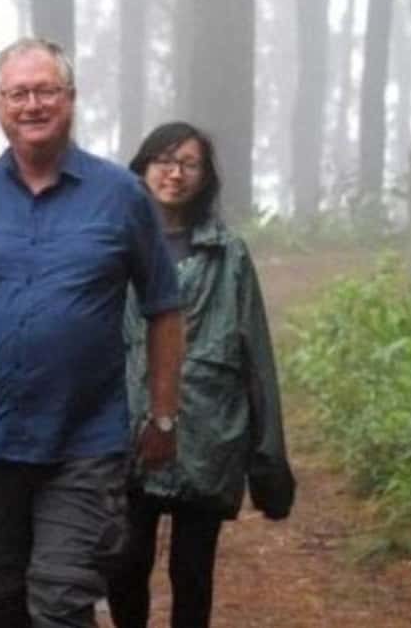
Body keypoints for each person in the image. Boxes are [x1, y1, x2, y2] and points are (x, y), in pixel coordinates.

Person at [0, 38, 186, 628]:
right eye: (18, 94)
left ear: (71, 99)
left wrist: (163, 416)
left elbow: (164, 308)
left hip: (84, 444)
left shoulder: (121, 196)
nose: (32, 105)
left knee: (61, 602)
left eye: (46, 91)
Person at [105, 122, 296, 628]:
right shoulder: (115, 246)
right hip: (127, 433)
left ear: (206, 176)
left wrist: (269, 458)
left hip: (208, 436)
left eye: (189, 164)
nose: (176, 174)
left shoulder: (229, 254)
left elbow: (257, 356)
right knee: (124, 565)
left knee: (192, 573)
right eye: (165, 161)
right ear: (143, 169)